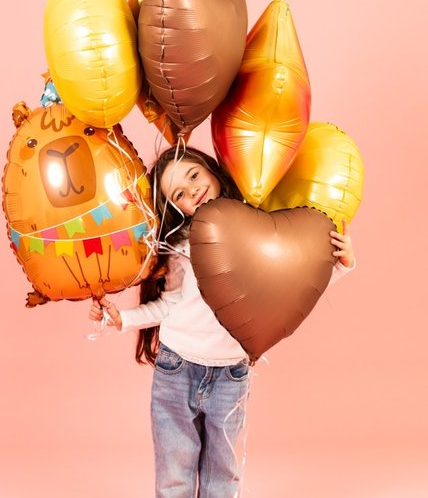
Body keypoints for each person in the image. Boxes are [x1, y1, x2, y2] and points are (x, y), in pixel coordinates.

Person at [89, 146, 356, 497]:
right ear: (175, 208)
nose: (192, 191)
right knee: (174, 472)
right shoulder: (181, 244)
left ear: (212, 170)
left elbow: (289, 285)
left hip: (231, 375)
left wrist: (341, 266)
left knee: (223, 473)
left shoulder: (258, 229)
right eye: (179, 194)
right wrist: (121, 318)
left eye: (194, 176)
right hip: (175, 367)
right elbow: (169, 304)